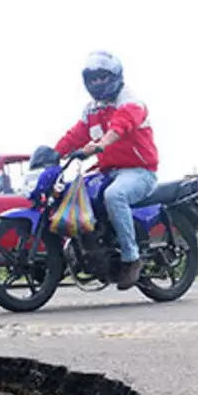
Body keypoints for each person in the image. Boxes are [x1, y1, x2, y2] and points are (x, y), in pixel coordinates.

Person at [55, 51, 160, 289]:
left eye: (102, 77)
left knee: (114, 195)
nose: (97, 83)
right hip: (108, 171)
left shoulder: (131, 100)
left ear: (115, 77)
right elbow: (76, 135)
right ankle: (90, 249)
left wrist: (101, 144)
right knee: (78, 193)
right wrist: (53, 153)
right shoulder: (92, 109)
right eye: (93, 79)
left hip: (139, 171)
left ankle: (131, 259)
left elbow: (121, 125)